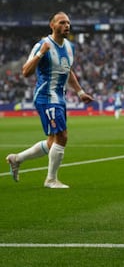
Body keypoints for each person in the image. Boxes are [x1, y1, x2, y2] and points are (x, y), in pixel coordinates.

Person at [6, 11, 94, 189]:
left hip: (59, 97)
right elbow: (25, 72)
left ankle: (16, 159)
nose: (66, 26)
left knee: (52, 141)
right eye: (62, 22)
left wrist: (80, 92)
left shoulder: (70, 47)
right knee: (62, 136)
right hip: (46, 96)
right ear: (52, 25)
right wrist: (40, 54)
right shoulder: (43, 45)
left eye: (68, 22)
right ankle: (51, 179)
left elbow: (67, 70)